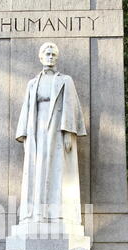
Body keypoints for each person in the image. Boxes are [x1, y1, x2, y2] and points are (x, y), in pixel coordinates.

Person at [16, 42, 87, 225]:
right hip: (36, 130)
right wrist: (24, 134)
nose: (50, 56)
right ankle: (35, 215)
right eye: (47, 53)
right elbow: (27, 108)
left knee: (58, 171)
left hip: (56, 129)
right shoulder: (32, 83)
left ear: (57, 57)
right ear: (40, 57)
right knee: (37, 171)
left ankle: (58, 215)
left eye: (53, 54)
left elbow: (71, 107)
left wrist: (69, 133)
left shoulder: (65, 80)